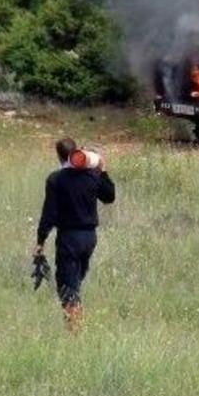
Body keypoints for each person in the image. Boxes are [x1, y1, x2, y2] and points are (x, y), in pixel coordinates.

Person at [33, 137, 116, 332]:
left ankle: (75, 332)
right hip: (89, 239)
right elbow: (109, 196)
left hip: (69, 238)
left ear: (59, 155)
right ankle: (75, 323)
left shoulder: (56, 179)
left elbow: (49, 214)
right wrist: (102, 170)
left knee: (68, 287)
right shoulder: (92, 176)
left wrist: (40, 240)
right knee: (75, 281)